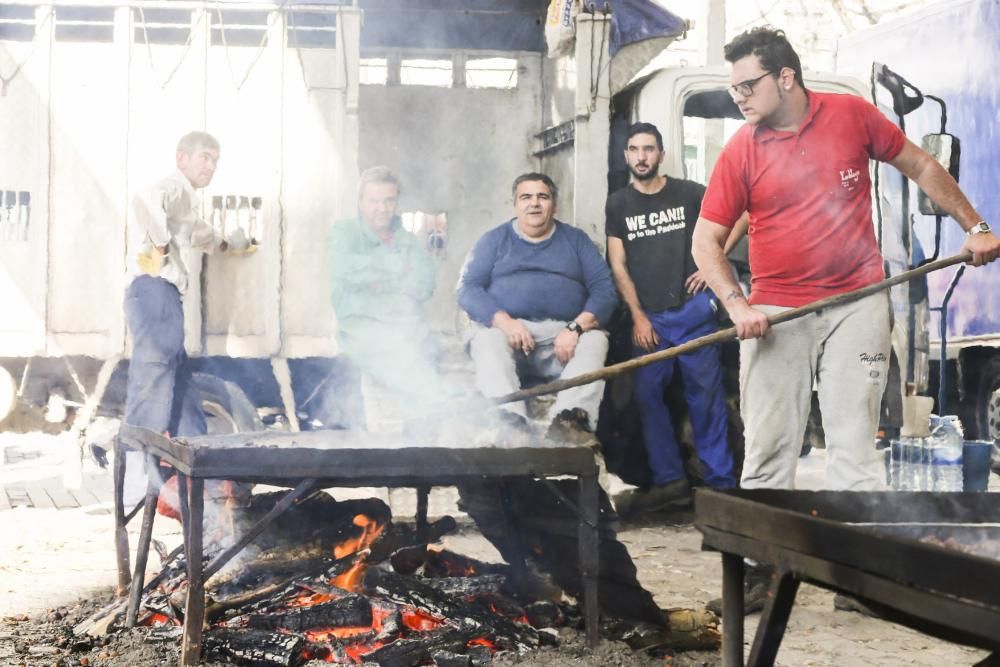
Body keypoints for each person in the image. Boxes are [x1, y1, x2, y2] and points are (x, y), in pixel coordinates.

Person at [691, 27, 1000, 612]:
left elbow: (921, 165)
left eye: (747, 84)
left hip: (859, 301)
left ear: (786, 78)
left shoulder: (852, 116)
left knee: (855, 448)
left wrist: (976, 225)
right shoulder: (742, 149)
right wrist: (739, 305)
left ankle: (859, 578)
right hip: (777, 310)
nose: (739, 97)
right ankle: (760, 569)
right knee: (769, 448)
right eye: (732, 88)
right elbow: (706, 242)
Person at [606, 122, 737, 509]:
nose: (642, 156)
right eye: (634, 149)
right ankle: (670, 480)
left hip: (694, 314)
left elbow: (736, 218)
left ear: (661, 154)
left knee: (706, 401)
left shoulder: (690, 193)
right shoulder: (618, 203)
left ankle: (721, 487)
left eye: (649, 149)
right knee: (647, 399)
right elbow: (618, 264)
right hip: (651, 322)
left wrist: (712, 264)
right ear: (626, 155)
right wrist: (638, 317)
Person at [123, 130, 250, 512]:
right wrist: (160, 246)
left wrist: (232, 244)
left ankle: (197, 471)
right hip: (154, 288)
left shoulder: (187, 204)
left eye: (215, 160)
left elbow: (201, 234)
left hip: (165, 297)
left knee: (178, 381)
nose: (211, 166)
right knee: (155, 371)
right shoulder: (173, 187)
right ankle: (134, 473)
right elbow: (146, 200)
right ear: (182, 159)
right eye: (205, 157)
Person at [457, 173, 617, 444]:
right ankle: (510, 422)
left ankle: (567, 422)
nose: (534, 204)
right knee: (485, 339)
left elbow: (605, 291)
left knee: (595, 340)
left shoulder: (576, 241)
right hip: (509, 335)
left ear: (554, 204)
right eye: (526, 197)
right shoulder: (494, 240)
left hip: (562, 339)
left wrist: (575, 328)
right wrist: (505, 322)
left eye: (542, 197)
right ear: (515, 204)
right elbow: (468, 288)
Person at [327, 166, 453, 425]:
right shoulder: (344, 233)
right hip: (362, 330)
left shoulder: (407, 240)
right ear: (361, 203)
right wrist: (396, 268)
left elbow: (425, 283)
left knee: (422, 362)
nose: (381, 208)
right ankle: (436, 418)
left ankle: (426, 431)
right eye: (373, 201)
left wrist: (374, 279)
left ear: (396, 202)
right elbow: (344, 270)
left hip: (407, 330)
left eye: (388, 200)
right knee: (423, 387)